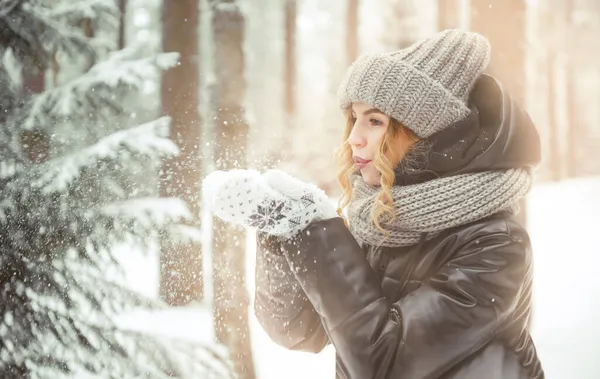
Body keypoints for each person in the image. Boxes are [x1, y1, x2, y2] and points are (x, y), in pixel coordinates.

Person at [204, 29, 545, 379]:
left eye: (375, 121)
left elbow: (385, 362)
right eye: (354, 118)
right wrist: (284, 230)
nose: (354, 138)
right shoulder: (383, 218)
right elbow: (297, 330)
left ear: (424, 131)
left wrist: (316, 228)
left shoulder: (497, 244)